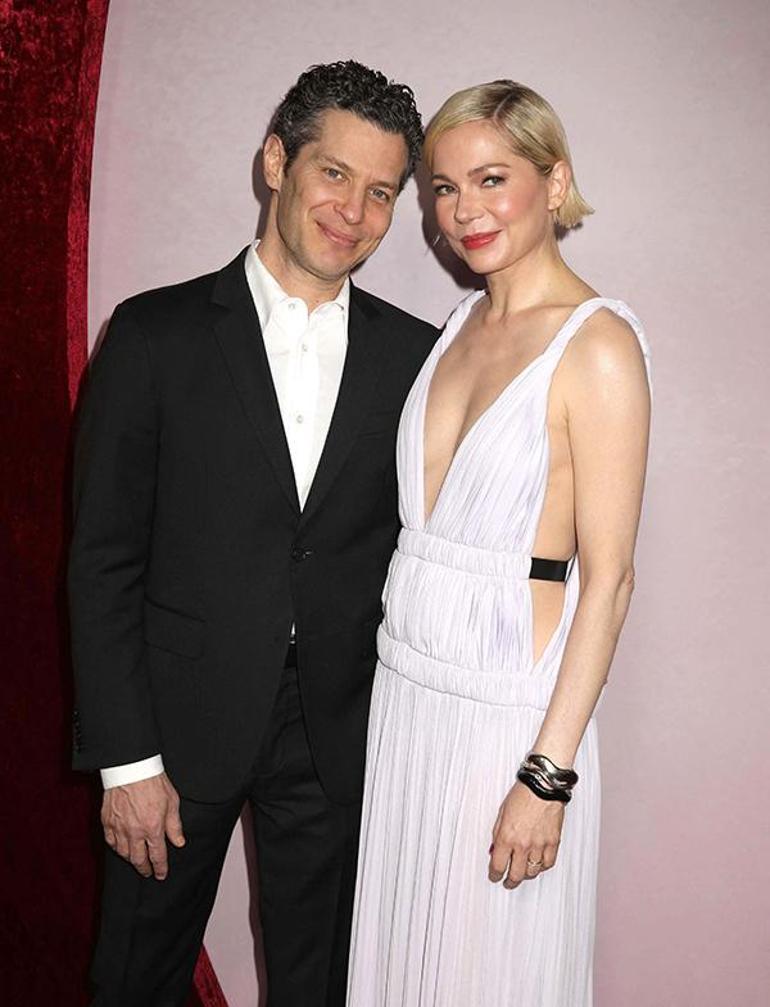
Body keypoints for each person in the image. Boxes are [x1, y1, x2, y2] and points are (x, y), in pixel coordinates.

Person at [68, 60, 438, 1007]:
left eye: (381, 191)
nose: (354, 211)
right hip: (172, 730)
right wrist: (126, 760)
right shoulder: (153, 334)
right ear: (277, 162)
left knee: (321, 989)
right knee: (136, 980)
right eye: (334, 173)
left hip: (335, 733)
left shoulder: (417, 358)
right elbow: (101, 562)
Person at [346, 80, 651, 1006]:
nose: (462, 211)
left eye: (491, 179)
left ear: (554, 183)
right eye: (443, 188)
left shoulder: (598, 346)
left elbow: (609, 581)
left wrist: (546, 776)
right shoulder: (456, 328)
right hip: (407, 701)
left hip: (506, 720)